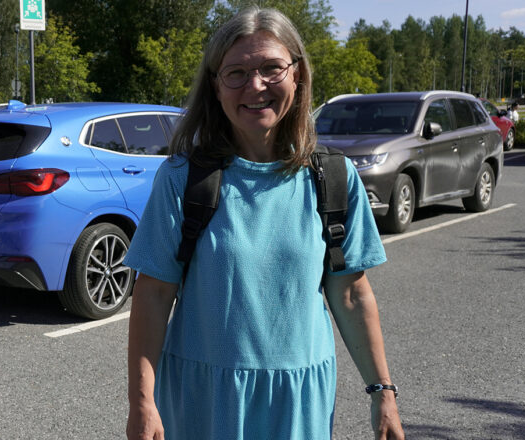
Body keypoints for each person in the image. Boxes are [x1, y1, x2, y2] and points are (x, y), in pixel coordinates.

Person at [124, 7, 404, 440]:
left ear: (298, 75)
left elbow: (350, 294)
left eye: (272, 68)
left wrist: (383, 393)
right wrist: (142, 403)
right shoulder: (183, 178)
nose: (255, 86)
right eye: (235, 72)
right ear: (216, 87)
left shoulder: (333, 177)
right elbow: (154, 294)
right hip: (206, 400)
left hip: (298, 401)